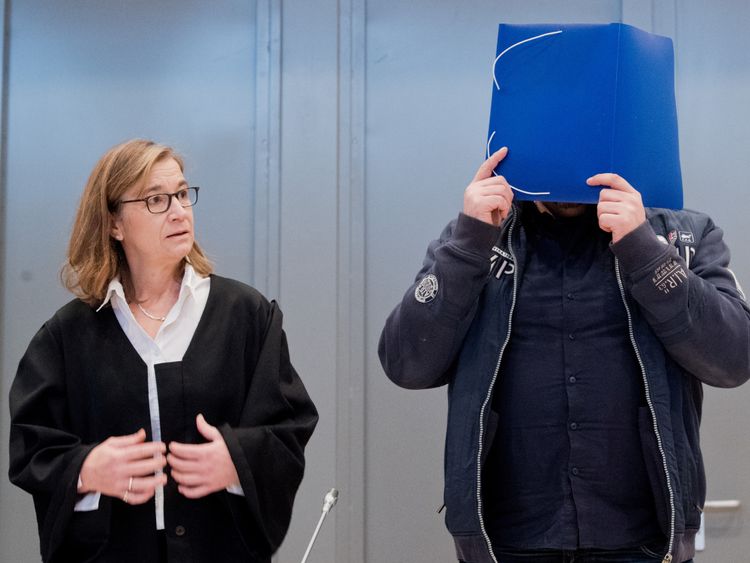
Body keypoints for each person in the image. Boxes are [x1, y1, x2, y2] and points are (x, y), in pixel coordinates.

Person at [379, 146, 750, 563]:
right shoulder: (476, 236)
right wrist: (468, 244)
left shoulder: (681, 235)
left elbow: (734, 358)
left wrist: (645, 251)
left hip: (645, 542)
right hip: (505, 544)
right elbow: (405, 363)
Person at [8, 139, 318, 563]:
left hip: (220, 548)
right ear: (114, 222)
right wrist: (87, 468)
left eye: (181, 194)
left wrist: (237, 461)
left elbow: (290, 429)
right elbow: (32, 447)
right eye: (156, 199)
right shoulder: (68, 335)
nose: (178, 210)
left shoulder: (246, 315)